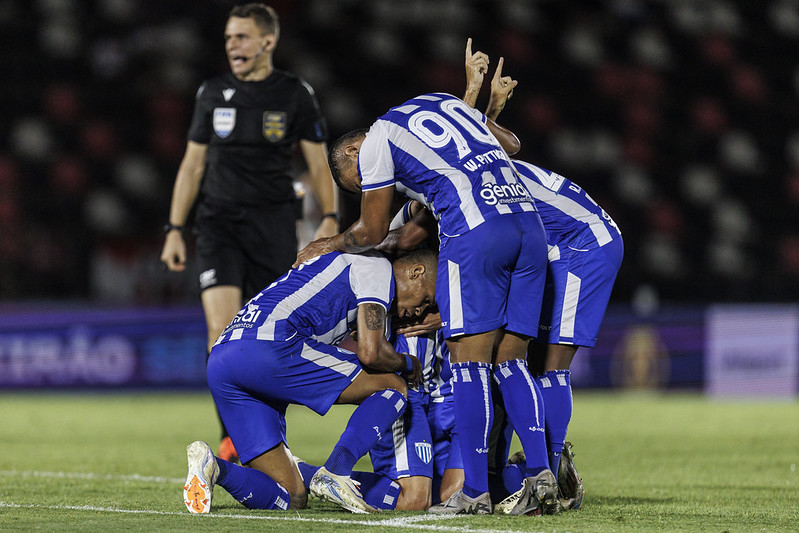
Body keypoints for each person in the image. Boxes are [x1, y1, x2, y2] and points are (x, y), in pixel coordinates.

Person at [294, 40, 559, 516]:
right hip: (527, 223)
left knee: (471, 363)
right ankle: (541, 476)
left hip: (476, 230)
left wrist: (326, 243)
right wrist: (483, 101)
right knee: (510, 361)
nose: (377, 191)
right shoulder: (441, 102)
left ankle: (474, 494)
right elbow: (512, 145)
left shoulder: (375, 143)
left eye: (360, 185)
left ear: (355, 153)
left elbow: (373, 230)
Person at [160, 3, 339, 463]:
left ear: (267, 41)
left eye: (241, 37)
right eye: (227, 38)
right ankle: (231, 438)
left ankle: (267, 439)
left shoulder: (294, 94)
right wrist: (175, 228)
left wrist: (331, 217)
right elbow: (193, 164)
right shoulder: (212, 92)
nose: (232, 46)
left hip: (275, 223)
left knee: (265, 336)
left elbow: (319, 163)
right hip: (218, 223)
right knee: (220, 329)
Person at [459, 42, 624, 512]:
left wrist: (476, 97)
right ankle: (542, 468)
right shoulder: (482, 159)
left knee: (550, 366)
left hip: (581, 242)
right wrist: (487, 104)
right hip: (560, 243)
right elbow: (500, 140)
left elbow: (505, 142)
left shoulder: (471, 166)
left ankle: (548, 470)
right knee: (527, 363)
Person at [182, 248, 437, 514]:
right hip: (271, 344)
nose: (420, 310)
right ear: (415, 271)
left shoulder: (342, 270)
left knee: (292, 496)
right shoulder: (378, 268)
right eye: (426, 298)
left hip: (223, 356)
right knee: (393, 385)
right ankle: (337, 469)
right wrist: (409, 364)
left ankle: (214, 467)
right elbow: (371, 353)